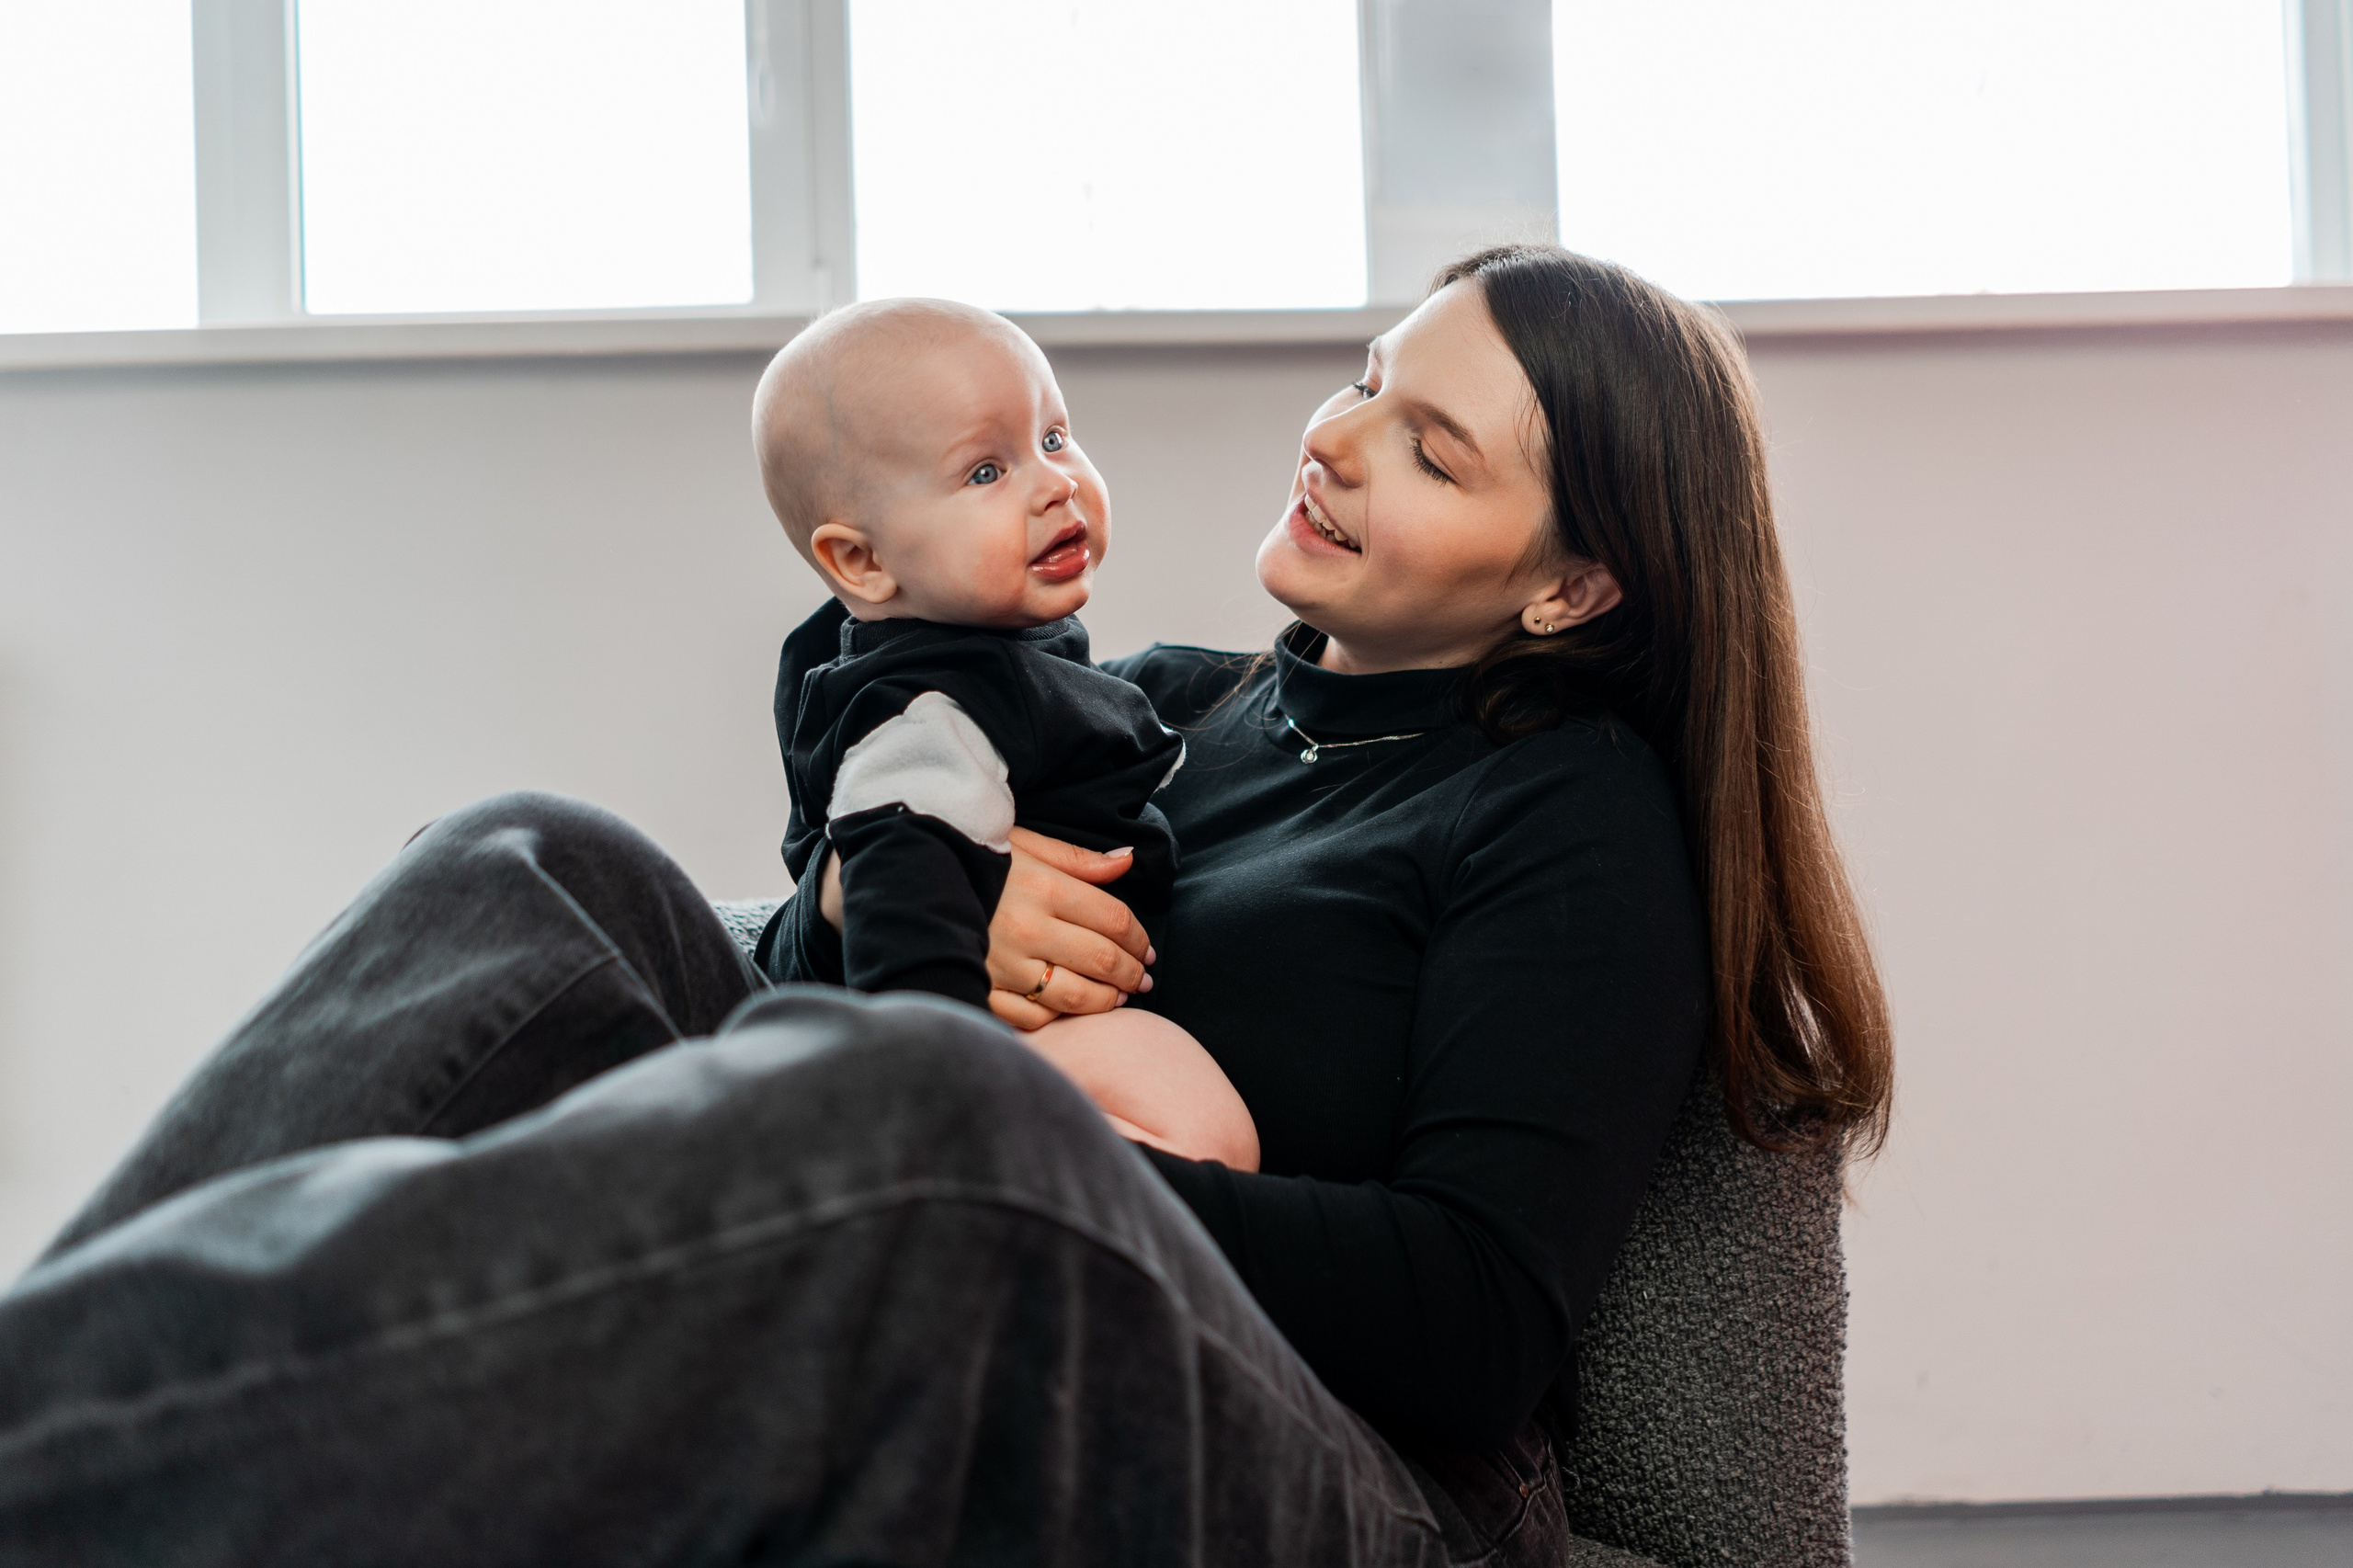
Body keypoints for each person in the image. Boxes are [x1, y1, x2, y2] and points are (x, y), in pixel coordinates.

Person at [0, 245, 1893, 1568]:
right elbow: (869, 817)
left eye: (1429, 446)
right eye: (1368, 381)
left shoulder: (1570, 819)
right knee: (532, 864)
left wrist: (1049, 1172)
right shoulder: (1161, 704)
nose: (1334, 436)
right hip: (1009, 1284)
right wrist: (865, 908)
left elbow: (1479, 1320)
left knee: (927, 1100)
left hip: (1366, 1484)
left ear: (1567, 591)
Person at [748, 296, 1251, 1167]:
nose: (1056, 482)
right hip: (992, 1028)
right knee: (1204, 1130)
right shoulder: (932, 705)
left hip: (1040, 1007)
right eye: (986, 472)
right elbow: (899, 865)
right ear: (861, 562)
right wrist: (944, 1070)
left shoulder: (989, 647)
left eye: (1054, 438)